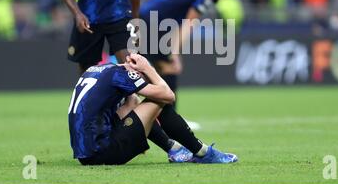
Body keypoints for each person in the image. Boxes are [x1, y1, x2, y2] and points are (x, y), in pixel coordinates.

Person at [69, 53, 238, 165]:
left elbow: (129, 104)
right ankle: (203, 152)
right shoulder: (121, 75)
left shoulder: (97, 70)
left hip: (86, 154)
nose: (144, 81)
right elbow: (168, 95)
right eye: (142, 77)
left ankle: (174, 149)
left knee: (133, 100)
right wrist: (149, 69)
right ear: (135, 71)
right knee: (159, 101)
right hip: (103, 153)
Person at [138, 0, 233, 160]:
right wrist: (175, 53)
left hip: (146, 19)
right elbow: (189, 23)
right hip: (152, 23)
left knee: (152, 72)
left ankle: (155, 118)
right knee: (170, 68)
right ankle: (170, 121)